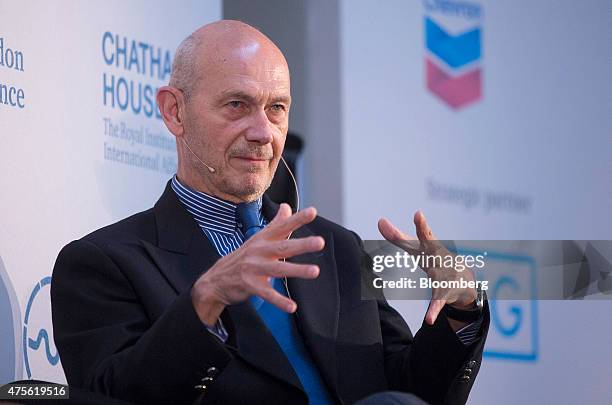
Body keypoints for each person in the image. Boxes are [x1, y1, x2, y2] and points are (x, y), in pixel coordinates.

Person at [51, 20, 489, 405]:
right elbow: (112, 396)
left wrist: (463, 310)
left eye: (277, 108)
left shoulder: (336, 248)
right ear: (175, 111)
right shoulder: (104, 263)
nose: (264, 133)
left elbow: (406, 391)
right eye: (236, 105)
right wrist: (206, 300)